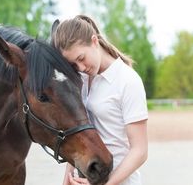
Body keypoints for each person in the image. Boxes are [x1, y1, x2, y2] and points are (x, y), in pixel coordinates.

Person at [52, 15, 148, 185]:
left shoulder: (127, 81)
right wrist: (67, 177)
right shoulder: (80, 80)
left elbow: (140, 151)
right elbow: (78, 133)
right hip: (84, 178)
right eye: (73, 64)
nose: (80, 67)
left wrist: (105, 184)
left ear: (94, 41)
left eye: (81, 58)